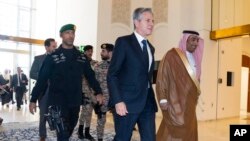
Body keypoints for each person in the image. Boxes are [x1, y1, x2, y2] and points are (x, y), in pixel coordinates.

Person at [29, 24, 103, 141]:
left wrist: (98, 92)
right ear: (61, 35)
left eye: (72, 33)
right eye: (67, 33)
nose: (70, 36)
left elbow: (90, 75)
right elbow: (42, 80)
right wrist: (33, 99)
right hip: (57, 103)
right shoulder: (53, 57)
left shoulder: (81, 57)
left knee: (69, 130)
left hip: (74, 102)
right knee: (62, 135)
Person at [107, 7, 158, 141]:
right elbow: (112, 74)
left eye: (153, 21)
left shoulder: (150, 48)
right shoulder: (124, 42)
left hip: (147, 102)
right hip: (127, 103)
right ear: (136, 22)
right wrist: (118, 101)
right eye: (148, 20)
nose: (151, 24)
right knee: (123, 138)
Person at [156, 30, 204, 141]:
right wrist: (163, 98)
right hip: (174, 101)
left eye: (197, 40)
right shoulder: (172, 55)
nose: (196, 43)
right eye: (193, 39)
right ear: (185, 39)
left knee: (189, 128)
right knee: (171, 130)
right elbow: (163, 76)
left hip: (189, 103)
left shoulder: (195, 58)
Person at [30, 38, 57, 141]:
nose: (55, 48)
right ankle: (42, 135)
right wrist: (44, 76)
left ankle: (60, 132)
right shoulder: (38, 59)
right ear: (47, 47)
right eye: (53, 46)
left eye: (56, 46)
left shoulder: (59, 59)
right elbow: (32, 73)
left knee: (59, 113)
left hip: (57, 91)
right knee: (43, 114)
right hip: (44, 90)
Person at [77, 45, 98, 140]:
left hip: (93, 92)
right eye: (88, 51)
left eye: (91, 51)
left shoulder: (95, 63)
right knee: (84, 112)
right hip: (84, 91)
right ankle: (80, 131)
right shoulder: (80, 63)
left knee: (89, 112)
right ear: (84, 52)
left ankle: (87, 132)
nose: (90, 53)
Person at [94, 43, 114, 141]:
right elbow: (94, 83)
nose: (101, 53)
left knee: (120, 121)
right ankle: (100, 138)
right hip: (103, 99)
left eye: (103, 51)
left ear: (110, 52)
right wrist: (95, 98)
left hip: (116, 99)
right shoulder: (98, 66)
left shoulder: (118, 65)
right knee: (101, 121)